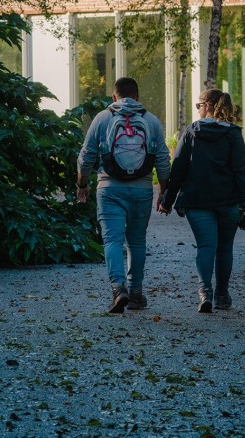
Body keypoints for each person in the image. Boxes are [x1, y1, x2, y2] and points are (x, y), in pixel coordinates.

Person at [159, 88, 245, 313]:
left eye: (199, 105)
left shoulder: (191, 132)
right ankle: (223, 295)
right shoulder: (233, 134)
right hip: (228, 201)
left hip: (197, 201)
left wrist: (167, 200)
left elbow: (178, 167)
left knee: (206, 246)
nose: (198, 110)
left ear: (208, 106)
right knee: (225, 248)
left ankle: (204, 293)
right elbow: (242, 169)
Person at [77, 77, 171, 314]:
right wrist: (164, 190)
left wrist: (82, 184)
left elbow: (87, 154)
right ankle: (137, 293)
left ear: (114, 97)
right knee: (137, 241)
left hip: (109, 188)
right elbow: (162, 159)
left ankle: (119, 289)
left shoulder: (103, 117)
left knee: (112, 241)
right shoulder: (151, 121)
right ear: (137, 97)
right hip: (141, 189)